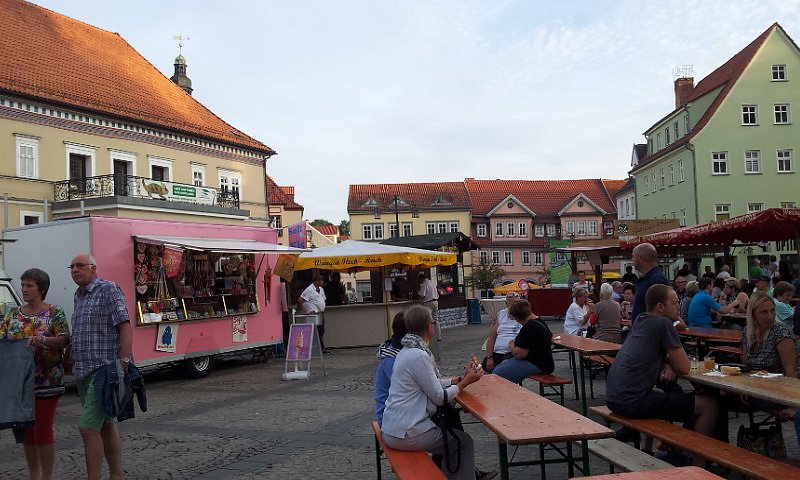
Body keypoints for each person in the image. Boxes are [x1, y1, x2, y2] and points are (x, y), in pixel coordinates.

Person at [606, 285, 718, 464]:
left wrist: (667, 363)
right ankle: (700, 467)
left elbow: (653, 353)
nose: (679, 307)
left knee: (664, 395)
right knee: (709, 405)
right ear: (660, 307)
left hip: (614, 397)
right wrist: (673, 365)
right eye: (674, 303)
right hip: (632, 401)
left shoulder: (642, 319)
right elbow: (685, 367)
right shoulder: (663, 323)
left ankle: (651, 449)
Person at [381, 305, 495, 480]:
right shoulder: (419, 356)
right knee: (463, 441)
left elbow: (430, 384)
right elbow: (440, 398)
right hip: (405, 433)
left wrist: (458, 379)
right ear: (429, 327)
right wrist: (466, 382)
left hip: (393, 427)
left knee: (452, 440)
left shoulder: (406, 351)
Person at [1, 268, 70, 480]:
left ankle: (47, 476)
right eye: (23, 285)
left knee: (42, 429)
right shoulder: (13, 314)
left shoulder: (54, 312)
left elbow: (65, 339)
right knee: (26, 430)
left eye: (29, 285)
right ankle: (34, 475)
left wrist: (42, 340)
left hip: (47, 380)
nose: (24, 289)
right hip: (20, 383)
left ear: (42, 288)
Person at [70, 253, 132, 480]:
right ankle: (116, 475)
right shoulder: (79, 296)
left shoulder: (108, 289)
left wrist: (123, 363)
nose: (75, 270)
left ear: (94, 268)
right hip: (82, 371)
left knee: (87, 427)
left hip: (104, 370)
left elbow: (125, 327)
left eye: (80, 266)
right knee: (105, 424)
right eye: (72, 267)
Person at [738, 292, 797, 422]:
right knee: (714, 396)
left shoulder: (781, 333)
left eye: (772, 311)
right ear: (752, 314)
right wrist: (742, 386)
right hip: (756, 388)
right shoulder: (748, 332)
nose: (770, 316)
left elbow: (791, 372)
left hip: (778, 391)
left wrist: (793, 406)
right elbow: (746, 366)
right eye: (764, 312)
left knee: (719, 399)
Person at [493, 300, 554, 384]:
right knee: (501, 367)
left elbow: (519, 354)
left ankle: (508, 394)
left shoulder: (529, 327)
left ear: (517, 318)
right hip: (545, 362)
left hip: (537, 364)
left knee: (497, 374)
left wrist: (511, 345)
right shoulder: (540, 321)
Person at [374, 312, 407, 426]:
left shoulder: (399, 352)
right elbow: (413, 388)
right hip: (390, 420)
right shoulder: (392, 359)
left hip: (397, 415)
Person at [481, 292, 523, 373]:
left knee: (502, 369)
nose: (515, 306)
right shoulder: (501, 314)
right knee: (480, 371)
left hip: (512, 353)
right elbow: (491, 338)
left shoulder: (523, 316)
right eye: (512, 304)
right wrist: (489, 357)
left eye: (517, 303)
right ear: (506, 304)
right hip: (496, 353)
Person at [630, 243, 669, 323]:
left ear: (641, 258)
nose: (632, 259)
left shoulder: (656, 280)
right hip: (642, 331)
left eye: (633, 256)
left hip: (649, 333)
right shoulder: (647, 279)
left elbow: (661, 312)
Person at [297, 275, 330, 354]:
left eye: (322, 280)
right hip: (312, 313)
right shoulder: (309, 289)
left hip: (320, 313)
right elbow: (300, 300)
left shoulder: (321, 289)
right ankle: (313, 349)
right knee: (314, 332)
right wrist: (305, 311)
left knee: (321, 331)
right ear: (316, 281)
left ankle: (321, 348)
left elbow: (322, 299)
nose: (322, 282)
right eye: (320, 281)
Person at [416, 272, 441, 363]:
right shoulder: (432, 282)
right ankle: (438, 336)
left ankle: (430, 336)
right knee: (436, 319)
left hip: (428, 303)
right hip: (435, 302)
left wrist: (417, 296)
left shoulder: (424, 284)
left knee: (428, 320)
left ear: (421, 279)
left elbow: (422, 295)